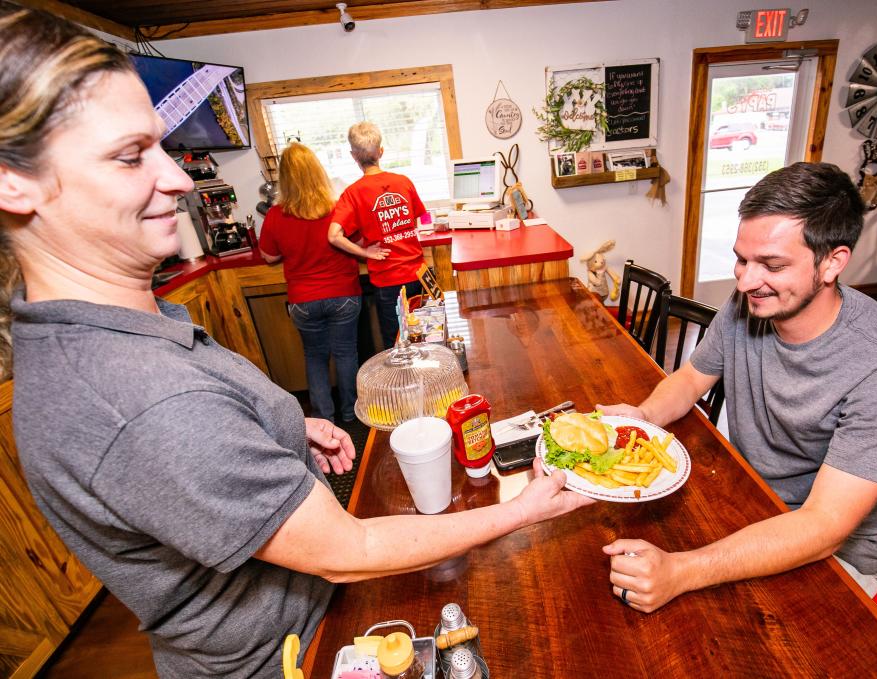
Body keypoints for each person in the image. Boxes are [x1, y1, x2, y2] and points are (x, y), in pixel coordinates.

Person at [0, 6, 592, 678]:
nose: (179, 178)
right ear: (12, 181)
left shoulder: (118, 326)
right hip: (292, 655)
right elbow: (348, 545)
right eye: (132, 155)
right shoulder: (137, 402)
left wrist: (278, 425)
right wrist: (523, 507)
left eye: (162, 147)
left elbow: (196, 439)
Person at [599, 162, 877, 612]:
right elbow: (688, 380)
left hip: (839, 560)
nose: (745, 280)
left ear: (832, 263)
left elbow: (823, 528)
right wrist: (643, 417)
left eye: (771, 265)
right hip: (750, 500)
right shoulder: (751, 303)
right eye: (742, 258)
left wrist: (683, 570)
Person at [259, 143, 361, 423]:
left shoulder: (276, 215)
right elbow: (359, 241)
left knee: (314, 357)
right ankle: (351, 413)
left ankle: (322, 417)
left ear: (284, 178)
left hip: (303, 299)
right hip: (344, 294)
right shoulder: (337, 208)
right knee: (345, 353)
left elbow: (268, 256)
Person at [328, 121, 428, 349]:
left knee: (397, 343)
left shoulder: (353, 193)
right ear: (381, 151)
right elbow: (413, 221)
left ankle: (403, 383)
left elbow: (334, 236)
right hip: (417, 274)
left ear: (354, 156)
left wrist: (365, 251)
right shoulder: (403, 182)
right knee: (423, 336)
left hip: (388, 279)